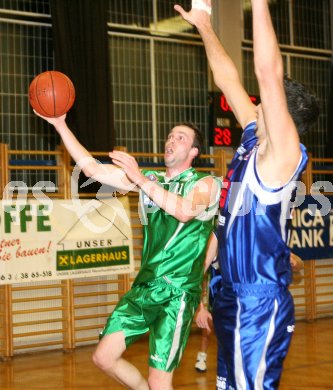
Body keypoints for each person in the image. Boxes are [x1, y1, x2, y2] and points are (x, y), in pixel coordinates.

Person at [175, 1, 320, 389]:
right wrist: (204, 25)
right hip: (229, 291)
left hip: (258, 300)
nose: (253, 104)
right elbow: (227, 80)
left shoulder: (284, 154)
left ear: (281, 114)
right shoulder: (254, 141)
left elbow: (267, 73)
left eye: (262, 102)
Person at [34, 110, 221, 390]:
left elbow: (184, 211)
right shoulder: (150, 179)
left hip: (178, 291)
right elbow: (92, 170)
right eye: (170, 135)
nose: (171, 140)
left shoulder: (206, 183)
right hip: (145, 286)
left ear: (194, 151)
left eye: (180, 138)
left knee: (161, 381)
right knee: (103, 357)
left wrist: (140, 179)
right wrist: (61, 125)